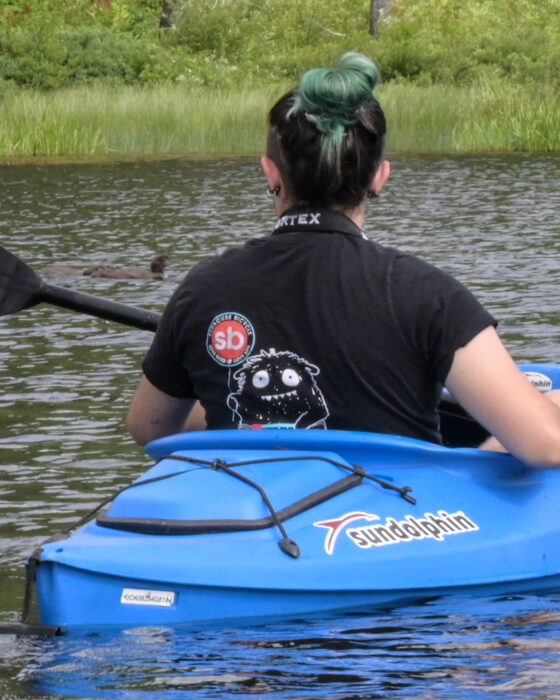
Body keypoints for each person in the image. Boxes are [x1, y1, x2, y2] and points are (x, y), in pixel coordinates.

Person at [123, 52, 560, 468]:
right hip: (389, 530)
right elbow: (545, 446)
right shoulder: (429, 295)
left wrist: (244, 409)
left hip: (254, 516)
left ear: (270, 172)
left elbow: (149, 427)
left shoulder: (202, 288)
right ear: (378, 177)